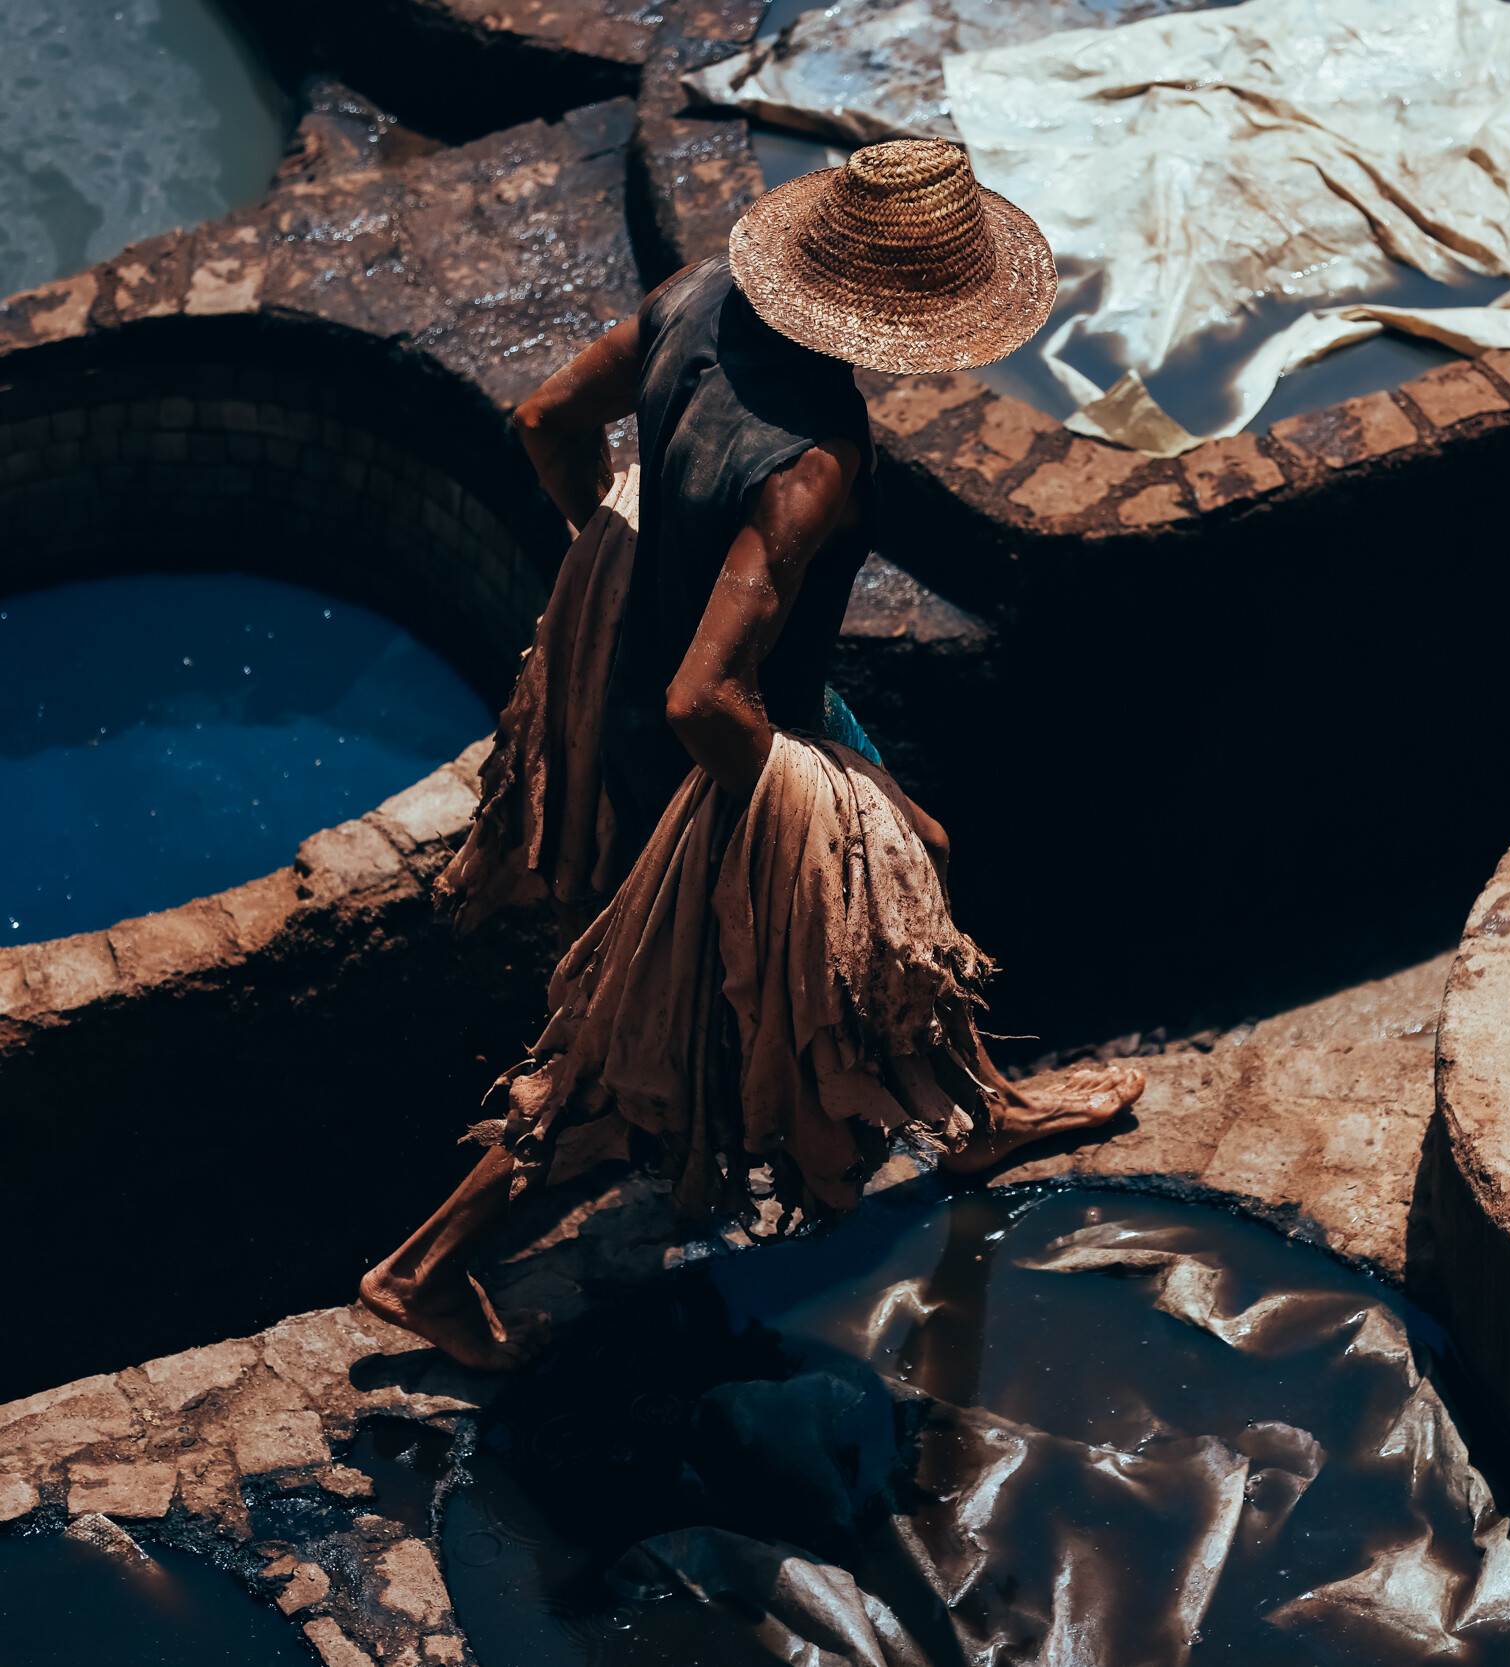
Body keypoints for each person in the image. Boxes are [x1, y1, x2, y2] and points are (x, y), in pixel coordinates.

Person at [358, 140, 1145, 1372]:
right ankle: (426, 1267)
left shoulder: (696, 293)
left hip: (668, 688)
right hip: (709, 753)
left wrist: (624, 546)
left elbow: (544, 420)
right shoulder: (812, 464)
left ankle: (985, 1113)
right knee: (635, 1041)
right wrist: (825, 818)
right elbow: (703, 701)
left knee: (919, 858)